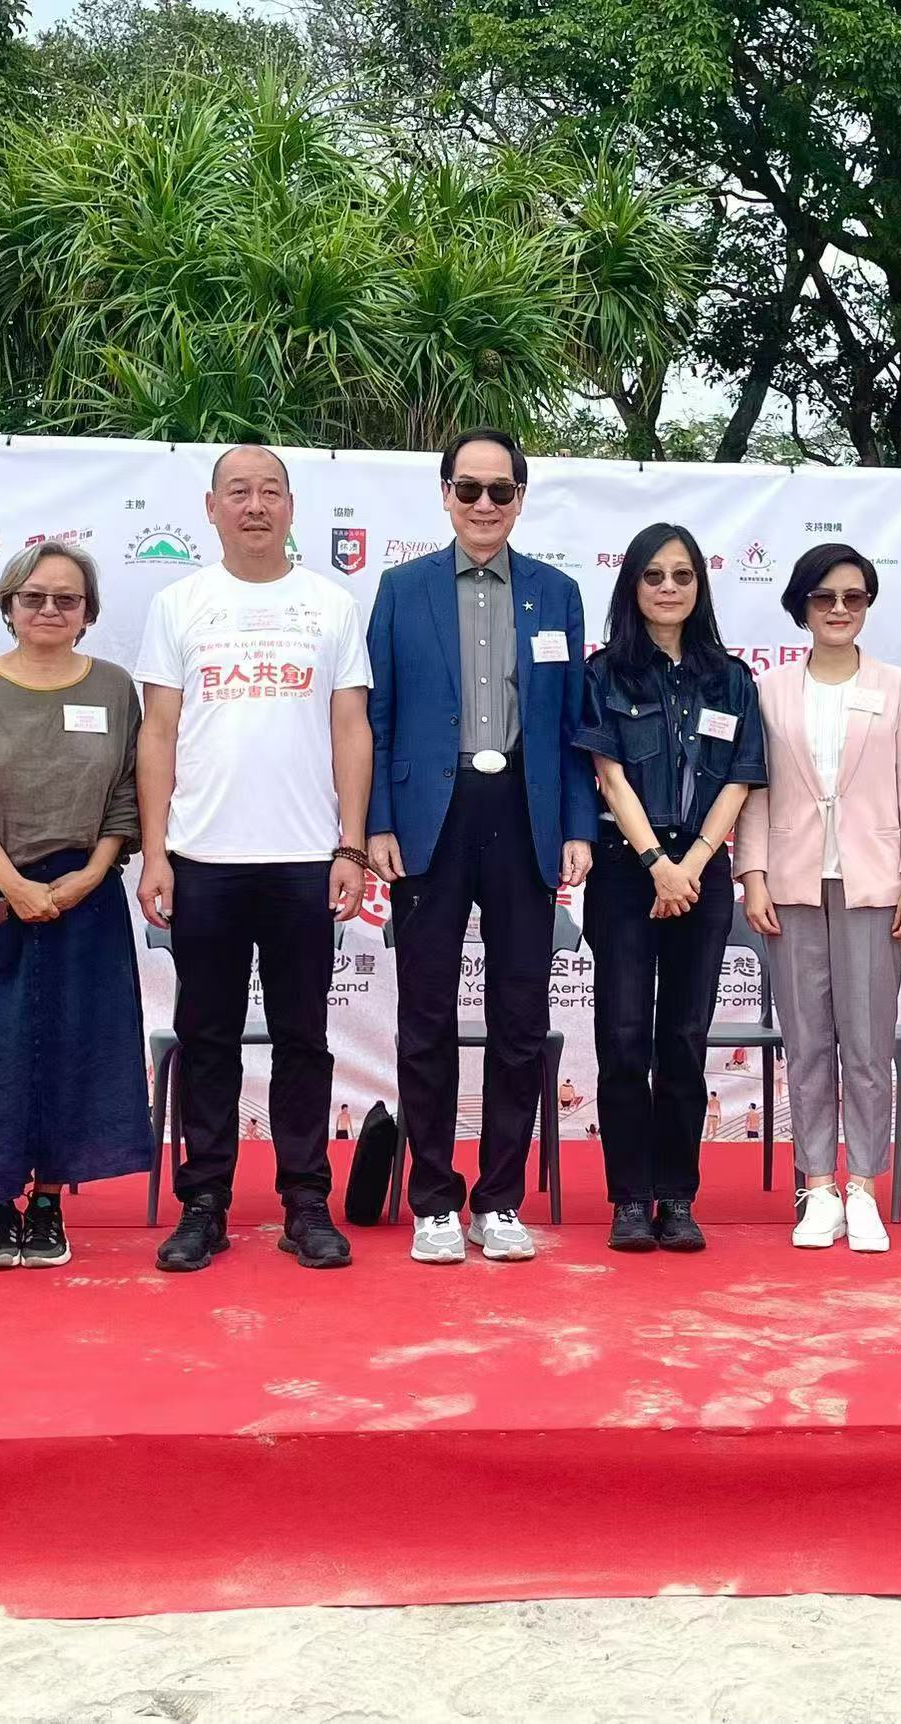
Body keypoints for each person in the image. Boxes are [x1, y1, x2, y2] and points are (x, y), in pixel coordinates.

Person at [366, 428, 597, 1264]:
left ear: (522, 499)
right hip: (432, 815)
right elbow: (379, 718)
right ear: (445, 495)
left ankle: (498, 1200)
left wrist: (578, 826)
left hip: (526, 814)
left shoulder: (556, 593)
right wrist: (377, 824)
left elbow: (572, 726)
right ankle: (433, 1200)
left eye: (501, 491)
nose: (485, 505)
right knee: (424, 1014)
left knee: (521, 1018)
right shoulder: (400, 589)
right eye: (470, 489)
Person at [138, 445, 372, 1272]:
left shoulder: (330, 606)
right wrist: (156, 851)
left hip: (306, 858)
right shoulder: (179, 604)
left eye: (270, 491)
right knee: (207, 1036)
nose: (255, 505)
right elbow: (158, 732)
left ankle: (307, 1201)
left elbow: (351, 729)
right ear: (211, 509)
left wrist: (349, 843)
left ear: (292, 506)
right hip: (203, 857)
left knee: (304, 1038)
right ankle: (203, 1202)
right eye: (238, 492)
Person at [0, 543, 153, 1268]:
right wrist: (13, 886)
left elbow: (129, 794)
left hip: (87, 893)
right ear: (8, 606)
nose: (50, 609)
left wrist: (90, 875)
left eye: (67, 599)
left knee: (79, 1048)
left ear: (88, 613)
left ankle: (50, 1203)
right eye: (34, 597)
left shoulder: (116, 689)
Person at [738, 543, 901, 1252]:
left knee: (866, 1041)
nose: (839, 610)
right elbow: (753, 791)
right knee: (807, 1044)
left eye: (854, 597)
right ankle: (818, 1185)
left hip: (876, 885)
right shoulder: (769, 691)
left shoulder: (898, 688)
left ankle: (863, 1190)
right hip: (790, 885)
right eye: (824, 597)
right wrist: (752, 874)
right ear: (802, 605)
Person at [576, 523, 765, 1252]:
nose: (667, 588)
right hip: (629, 871)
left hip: (704, 874)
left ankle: (676, 1197)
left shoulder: (731, 677)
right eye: (653, 576)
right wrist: (658, 861)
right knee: (623, 1037)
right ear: (632, 586)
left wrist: (693, 864)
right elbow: (610, 777)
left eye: (681, 576)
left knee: (684, 1039)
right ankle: (628, 1198)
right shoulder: (605, 674)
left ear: (699, 587)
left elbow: (741, 778)